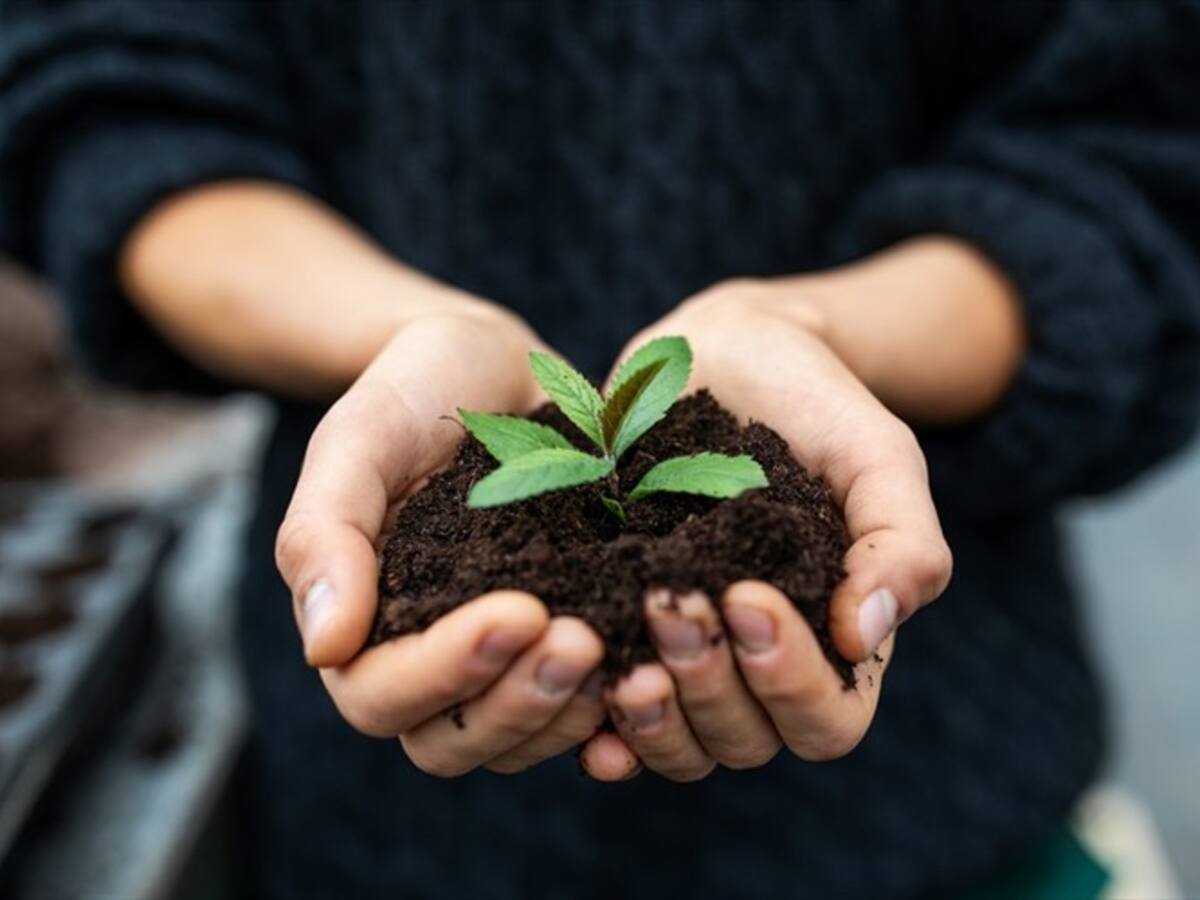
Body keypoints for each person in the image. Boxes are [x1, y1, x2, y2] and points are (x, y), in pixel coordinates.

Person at [2, 2, 1197, 897]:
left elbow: (1135, 150)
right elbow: (106, 86)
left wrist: (817, 329)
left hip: (946, 813)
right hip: (365, 843)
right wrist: (401, 336)